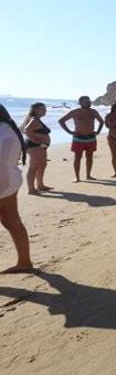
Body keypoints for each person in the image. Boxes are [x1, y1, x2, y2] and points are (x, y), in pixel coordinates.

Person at [0, 104, 33, 274]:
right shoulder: (9, 129)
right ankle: (25, 262)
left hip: (2, 181)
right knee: (11, 221)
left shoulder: (3, 133)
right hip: (10, 180)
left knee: (12, 222)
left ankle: (25, 262)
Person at [58, 96, 104, 182]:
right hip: (78, 138)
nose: (89, 103)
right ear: (81, 103)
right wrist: (70, 132)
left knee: (89, 157)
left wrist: (98, 131)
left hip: (91, 138)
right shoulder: (75, 112)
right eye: (86, 102)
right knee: (77, 158)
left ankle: (88, 175)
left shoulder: (93, 112)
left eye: (89, 101)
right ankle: (77, 177)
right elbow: (61, 121)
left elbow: (101, 121)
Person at [21, 102, 53, 194]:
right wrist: (34, 140)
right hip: (35, 146)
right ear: (36, 110)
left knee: (42, 165)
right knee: (33, 167)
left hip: (41, 146)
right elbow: (26, 130)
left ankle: (40, 185)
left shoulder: (37, 119)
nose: (45, 110)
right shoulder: (34, 119)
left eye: (45, 109)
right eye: (43, 109)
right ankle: (31, 189)